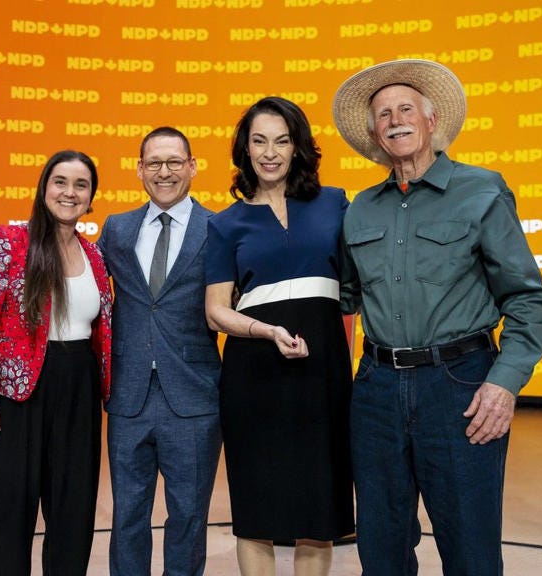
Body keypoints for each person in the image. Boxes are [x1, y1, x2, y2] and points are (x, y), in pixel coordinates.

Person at [333, 59, 542, 575]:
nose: (394, 120)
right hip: (377, 390)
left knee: (470, 548)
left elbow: (527, 299)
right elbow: (341, 297)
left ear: (432, 120)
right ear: (374, 133)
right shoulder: (358, 209)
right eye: (382, 114)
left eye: (405, 108)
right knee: (381, 549)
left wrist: (504, 384)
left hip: (460, 388)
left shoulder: (482, 190)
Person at [204, 96, 354, 576]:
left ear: (298, 147)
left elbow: (356, 285)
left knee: (319, 510)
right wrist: (266, 332)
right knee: (257, 512)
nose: (270, 152)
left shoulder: (334, 203)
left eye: (282, 141)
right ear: (244, 150)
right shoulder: (225, 223)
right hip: (253, 377)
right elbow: (214, 312)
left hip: (323, 372)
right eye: (259, 141)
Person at [0, 150, 112, 575]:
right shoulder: (7, 241)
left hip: (78, 389)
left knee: (73, 511)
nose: (69, 192)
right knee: (6, 511)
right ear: (44, 187)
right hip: (13, 394)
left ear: (91, 197)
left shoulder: (95, 257)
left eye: (80, 185)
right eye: (60, 182)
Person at [97, 126, 222, 576]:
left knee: (188, 516)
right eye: (154, 163)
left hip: (194, 398)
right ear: (139, 170)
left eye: (174, 162)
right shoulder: (116, 228)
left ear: (192, 166)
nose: (164, 172)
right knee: (127, 516)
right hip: (129, 396)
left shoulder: (220, 227)